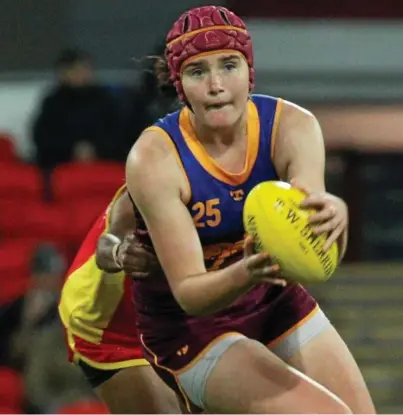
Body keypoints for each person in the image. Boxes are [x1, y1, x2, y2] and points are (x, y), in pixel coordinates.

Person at [126, 5, 375, 414]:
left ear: (249, 70)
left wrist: (335, 215)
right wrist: (246, 271)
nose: (216, 85)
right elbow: (189, 293)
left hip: (272, 299)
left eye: (228, 65)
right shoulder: (154, 158)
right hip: (191, 329)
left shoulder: (293, 126)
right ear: (180, 85)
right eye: (197, 72)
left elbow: (311, 251)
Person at [58, 186, 180, 414]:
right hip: (106, 326)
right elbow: (108, 245)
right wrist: (120, 253)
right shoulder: (155, 180)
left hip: (167, 318)